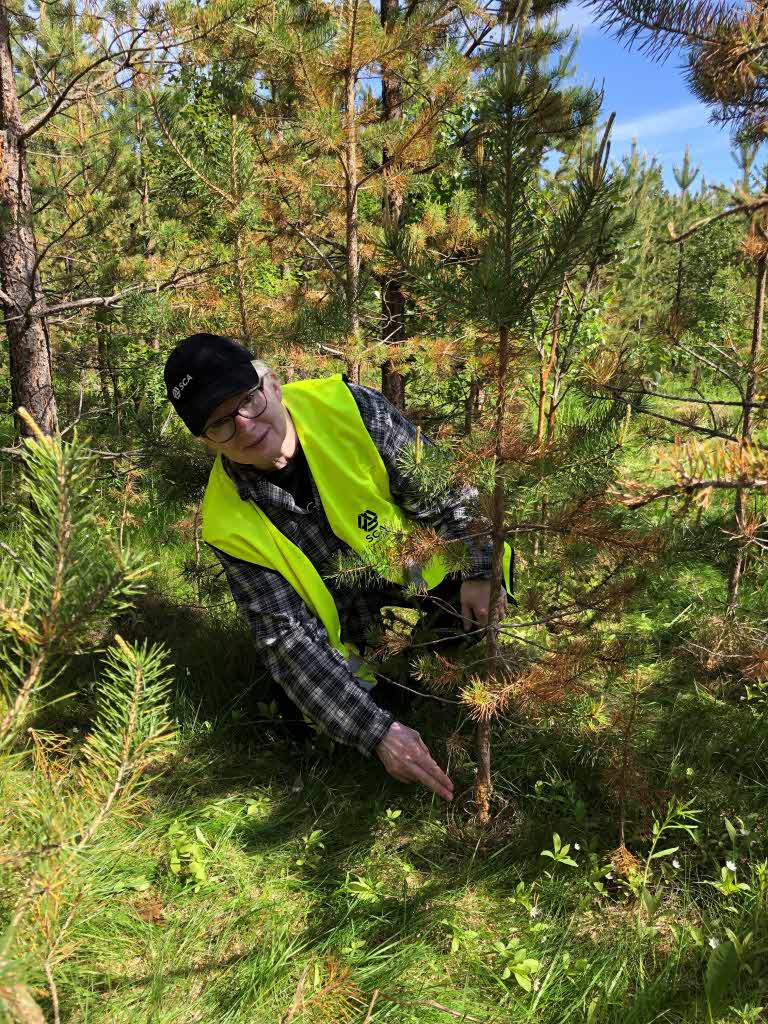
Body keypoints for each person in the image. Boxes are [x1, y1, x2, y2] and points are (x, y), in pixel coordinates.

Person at [164, 333, 510, 802]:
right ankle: (379, 692)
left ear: (273, 384)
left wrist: (481, 569)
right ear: (208, 442)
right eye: (221, 424)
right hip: (346, 627)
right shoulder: (227, 523)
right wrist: (377, 733)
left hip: (420, 582)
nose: (244, 425)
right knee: (317, 721)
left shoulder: (351, 410)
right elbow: (287, 640)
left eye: (247, 400)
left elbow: (449, 490)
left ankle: (438, 646)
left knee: (467, 621)